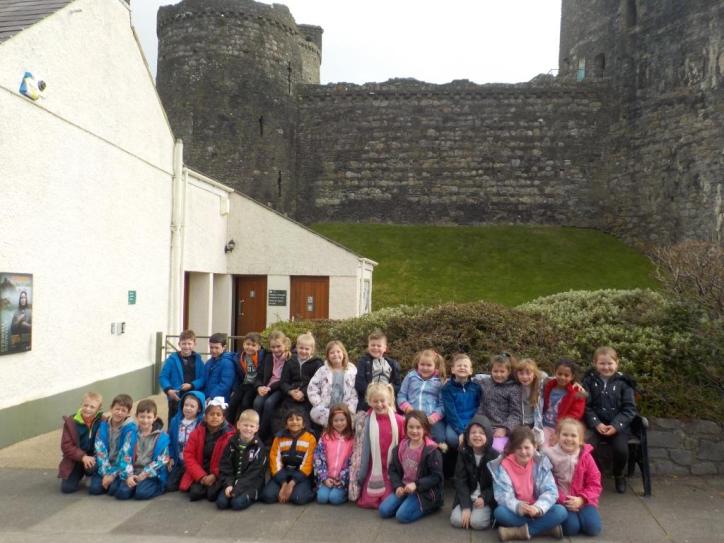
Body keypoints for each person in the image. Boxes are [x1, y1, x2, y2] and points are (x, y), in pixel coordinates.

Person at [488, 426, 567, 541]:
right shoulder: (504, 466)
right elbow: (502, 496)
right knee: (500, 513)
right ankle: (545, 529)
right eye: (519, 448)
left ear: (534, 447)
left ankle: (519, 532)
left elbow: (551, 491)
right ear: (513, 449)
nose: (523, 452)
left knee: (561, 511)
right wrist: (518, 506)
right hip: (517, 512)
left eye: (527, 447)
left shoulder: (541, 463)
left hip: (538, 510)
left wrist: (538, 508)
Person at [582, 346, 637, 494]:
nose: (606, 367)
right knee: (586, 448)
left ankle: (619, 474)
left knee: (621, 450)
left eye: (610, 363)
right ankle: (596, 473)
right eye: (602, 363)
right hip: (595, 426)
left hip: (618, 427)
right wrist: (596, 423)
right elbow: (586, 406)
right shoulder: (588, 382)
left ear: (617, 363)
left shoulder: (624, 383)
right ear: (595, 363)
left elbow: (629, 409)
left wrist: (616, 425)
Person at [379, 410, 444, 523]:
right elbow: (393, 469)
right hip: (405, 488)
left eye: (418, 427)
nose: (414, 431)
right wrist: (397, 486)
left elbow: (436, 477)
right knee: (383, 511)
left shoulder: (431, 450)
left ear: (425, 429)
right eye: (411, 427)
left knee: (402, 516)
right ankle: (408, 503)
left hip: (424, 491)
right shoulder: (401, 447)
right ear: (406, 428)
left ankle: (432, 505)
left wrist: (416, 485)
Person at [543, 418, 602, 537]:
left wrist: (582, 499)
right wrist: (564, 500)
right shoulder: (549, 455)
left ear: (580, 440)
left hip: (584, 500)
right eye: (565, 434)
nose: (569, 439)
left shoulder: (586, 456)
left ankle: (582, 517)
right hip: (561, 500)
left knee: (593, 529)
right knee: (571, 529)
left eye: (573, 436)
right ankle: (556, 523)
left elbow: (595, 483)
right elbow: (546, 483)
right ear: (558, 436)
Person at [355, 382, 405, 509]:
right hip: (373, 468)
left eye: (382, 401)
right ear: (369, 401)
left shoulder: (399, 420)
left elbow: (405, 443)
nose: (379, 404)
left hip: (391, 469)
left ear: (389, 400)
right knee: (368, 502)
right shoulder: (366, 420)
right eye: (375, 401)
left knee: (386, 502)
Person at [111, 399, 170, 500]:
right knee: (121, 493)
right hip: (133, 470)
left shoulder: (161, 436)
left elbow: (163, 459)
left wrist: (145, 473)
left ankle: (158, 487)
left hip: (151, 473)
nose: (145, 420)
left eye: (149, 417)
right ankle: (134, 485)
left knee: (141, 493)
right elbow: (125, 455)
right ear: (136, 416)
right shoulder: (131, 434)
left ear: (155, 418)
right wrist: (129, 475)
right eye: (142, 416)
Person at [180, 397, 235, 502]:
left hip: (218, 473)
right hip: (201, 470)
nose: (215, 417)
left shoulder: (229, 436)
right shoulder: (196, 433)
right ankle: (204, 484)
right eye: (211, 414)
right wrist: (202, 476)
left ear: (223, 418)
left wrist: (214, 475)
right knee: (194, 494)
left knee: (211, 495)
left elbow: (228, 460)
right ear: (205, 417)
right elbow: (188, 455)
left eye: (218, 415)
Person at [450, 414, 499, 530]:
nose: (477, 435)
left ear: (488, 436)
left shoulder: (495, 456)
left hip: (484, 499)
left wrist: (484, 498)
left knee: (477, 523)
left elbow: (497, 484)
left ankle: (488, 514)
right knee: (456, 520)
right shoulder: (463, 452)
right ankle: (468, 510)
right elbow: (460, 480)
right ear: (468, 436)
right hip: (467, 496)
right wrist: (466, 506)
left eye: (481, 433)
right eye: (473, 432)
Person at [261, 407, 317, 505]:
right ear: (286, 424)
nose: (294, 422)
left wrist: (291, 484)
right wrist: (283, 483)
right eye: (291, 419)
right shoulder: (279, 438)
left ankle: (308, 490)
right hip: (283, 472)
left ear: (304, 424)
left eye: (298, 419)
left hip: (301, 475)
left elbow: (308, 464)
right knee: (267, 496)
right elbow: (274, 460)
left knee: (298, 498)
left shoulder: (310, 438)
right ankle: (286, 490)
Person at [216, 409, 268, 511]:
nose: (248, 428)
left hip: (251, 484)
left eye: (251, 426)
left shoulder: (259, 448)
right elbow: (225, 466)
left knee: (236, 504)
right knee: (221, 503)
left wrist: (237, 489)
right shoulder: (231, 443)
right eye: (245, 425)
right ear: (238, 425)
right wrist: (228, 485)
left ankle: (253, 496)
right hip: (233, 481)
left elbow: (253, 474)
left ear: (257, 428)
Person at [397, 349, 446, 447]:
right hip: (411, 416)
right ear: (418, 364)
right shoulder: (410, 377)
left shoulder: (440, 382)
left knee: (440, 437)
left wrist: (434, 417)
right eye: (422, 364)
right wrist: (407, 408)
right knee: (402, 435)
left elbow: (443, 405)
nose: (425, 368)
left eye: (429, 365)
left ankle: (434, 454)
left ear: (435, 366)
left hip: (430, 418)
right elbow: (401, 396)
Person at [476, 353, 523, 452]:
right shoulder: (484, 382)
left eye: (502, 371)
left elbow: (516, 414)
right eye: (495, 371)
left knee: (495, 451)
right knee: (470, 446)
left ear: (508, 372)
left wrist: (505, 429)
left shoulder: (514, 388)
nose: (498, 374)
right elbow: (468, 380)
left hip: (501, 428)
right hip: (483, 425)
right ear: (491, 371)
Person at [58, 391, 103, 493]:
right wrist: (83, 457)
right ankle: (79, 473)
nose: (87, 409)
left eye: (92, 407)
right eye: (85, 405)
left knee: (92, 469)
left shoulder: (102, 421)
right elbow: (66, 446)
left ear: (98, 409)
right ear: (81, 404)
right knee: (67, 488)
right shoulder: (71, 422)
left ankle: (90, 474)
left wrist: (95, 457)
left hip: (94, 457)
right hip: (76, 459)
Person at [91, 393, 136, 495]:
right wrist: (106, 473)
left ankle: (117, 482)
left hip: (120, 467)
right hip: (105, 465)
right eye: (117, 409)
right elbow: (100, 451)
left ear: (128, 413)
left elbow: (126, 455)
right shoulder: (103, 426)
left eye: (123, 410)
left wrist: (112, 475)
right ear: (111, 408)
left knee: (114, 491)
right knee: (94, 489)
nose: (119, 412)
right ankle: (104, 479)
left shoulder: (130, 429)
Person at [277, 332, 323, 429]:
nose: (303, 351)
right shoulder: (290, 361)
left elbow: (317, 383)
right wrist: (290, 391)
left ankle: (307, 434)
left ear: (312, 350)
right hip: (291, 396)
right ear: (296, 348)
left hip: (309, 396)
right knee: (284, 417)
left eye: (307, 349)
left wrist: (303, 393)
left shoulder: (317, 363)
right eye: (301, 348)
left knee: (305, 418)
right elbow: (283, 382)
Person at [308, 340, 358, 426]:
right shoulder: (322, 371)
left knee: (349, 418)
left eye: (338, 352)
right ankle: (330, 427)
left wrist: (350, 407)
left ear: (343, 353)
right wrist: (319, 403)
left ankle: (342, 426)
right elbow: (312, 387)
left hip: (344, 408)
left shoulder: (351, 371)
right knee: (315, 413)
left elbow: (354, 392)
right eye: (332, 353)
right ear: (327, 356)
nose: (335, 354)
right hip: (326, 408)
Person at [253, 330, 291, 441]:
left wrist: (270, 388)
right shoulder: (268, 357)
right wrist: (259, 386)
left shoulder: (289, 358)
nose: (276, 350)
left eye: (278, 346)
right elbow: (259, 374)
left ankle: (262, 434)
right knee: (257, 402)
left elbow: (285, 379)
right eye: (273, 347)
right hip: (266, 387)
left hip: (279, 388)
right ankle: (254, 429)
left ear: (285, 345)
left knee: (269, 403)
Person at [159, 330, 206, 421]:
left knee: (193, 421)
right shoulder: (172, 360)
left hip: (193, 397)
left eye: (189, 344)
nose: (186, 346)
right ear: (179, 344)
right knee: (174, 421)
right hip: (176, 397)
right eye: (184, 344)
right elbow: (163, 377)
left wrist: (191, 385)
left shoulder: (198, 360)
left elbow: (203, 378)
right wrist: (169, 390)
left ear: (194, 344)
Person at [313, 404, 355, 505]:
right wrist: (324, 478)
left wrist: (342, 479)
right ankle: (324, 486)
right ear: (331, 421)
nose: (339, 423)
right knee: (322, 498)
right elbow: (318, 458)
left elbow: (352, 462)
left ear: (348, 420)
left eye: (342, 420)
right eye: (336, 420)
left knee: (334, 498)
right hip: (327, 477)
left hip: (342, 480)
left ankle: (344, 493)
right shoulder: (325, 437)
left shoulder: (352, 439)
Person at [166, 390, 205, 492]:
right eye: (186, 405)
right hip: (178, 461)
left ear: (199, 409)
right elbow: (170, 440)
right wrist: (171, 457)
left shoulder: (201, 424)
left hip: (193, 463)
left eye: (192, 406)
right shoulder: (175, 421)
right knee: (169, 486)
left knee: (186, 488)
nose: (188, 408)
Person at [354, 330, 402, 412]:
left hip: (387, 402)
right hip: (368, 403)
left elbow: (398, 386)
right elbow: (359, 384)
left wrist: (387, 390)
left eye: (379, 346)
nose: (375, 348)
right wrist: (374, 393)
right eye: (373, 345)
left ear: (385, 348)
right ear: (368, 346)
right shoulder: (363, 362)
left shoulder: (392, 364)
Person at [441, 354, 481, 450]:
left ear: (471, 371)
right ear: (453, 370)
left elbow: (479, 407)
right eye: (459, 365)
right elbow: (450, 413)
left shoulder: (476, 387)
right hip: (455, 422)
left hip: (472, 420)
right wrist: (461, 431)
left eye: (465, 366)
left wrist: (471, 425)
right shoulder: (447, 389)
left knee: (476, 438)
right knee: (452, 439)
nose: (462, 367)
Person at [542, 359, 586, 445]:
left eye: (566, 375)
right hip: (544, 425)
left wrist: (559, 432)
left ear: (572, 376)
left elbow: (574, 415)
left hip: (562, 429)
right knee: (541, 446)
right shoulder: (548, 385)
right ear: (555, 373)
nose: (562, 377)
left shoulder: (577, 392)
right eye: (559, 374)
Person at [227, 332, 266, 424]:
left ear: (259, 347)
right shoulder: (239, 357)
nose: (250, 347)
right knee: (233, 401)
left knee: (245, 402)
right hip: (244, 384)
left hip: (255, 385)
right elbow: (237, 375)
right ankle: (229, 425)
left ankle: (243, 423)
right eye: (247, 344)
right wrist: (234, 389)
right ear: (243, 344)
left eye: (253, 345)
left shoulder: (262, 357)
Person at [513, 358, 546, 445]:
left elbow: (554, 379)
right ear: (517, 374)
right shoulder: (515, 386)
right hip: (520, 423)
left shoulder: (540, 386)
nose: (524, 377)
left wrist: (574, 383)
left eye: (528, 373)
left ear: (534, 374)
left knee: (538, 443)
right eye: (521, 373)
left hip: (535, 423)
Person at [203, 333, 236, 403]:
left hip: (219, 399)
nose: (213, 350)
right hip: (207, 396)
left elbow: (225, 384)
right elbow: (204, 379)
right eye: (211, 347)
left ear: (224, 347)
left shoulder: (227, 363)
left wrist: (212, 396)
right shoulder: (209, 362)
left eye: (216, 348)